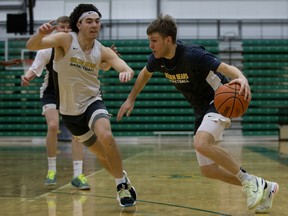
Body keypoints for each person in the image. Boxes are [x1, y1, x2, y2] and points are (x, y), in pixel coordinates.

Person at [117, 14, 278, 213]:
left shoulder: (193, 54)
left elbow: (227, 68)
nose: (151, 45)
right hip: (200, 109)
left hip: (218, 99)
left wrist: (242, 77)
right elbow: (144, 74)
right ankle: (264, 186)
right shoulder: (157, 60)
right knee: (208, 170)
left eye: (154, 41)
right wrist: (130, 98)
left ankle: (249, 181)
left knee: (201, 142)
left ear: (168, 40)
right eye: (150, 41)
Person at [26, 4, 137, 207]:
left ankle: (121, 186)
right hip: (69, 112)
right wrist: (39, 34)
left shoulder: (100, 50)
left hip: (92, 102)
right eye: (89, 21)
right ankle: (122, 176)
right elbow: (32, 45)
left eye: (97, 21)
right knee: (103, 156)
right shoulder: (65, 40)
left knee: (107, 136)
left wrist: (126, 72)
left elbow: (123, 65)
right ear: (78, 24)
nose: (94, 25)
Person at [21, 16, 91, 189]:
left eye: (69, 28)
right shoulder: (47, 49)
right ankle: (51, 171)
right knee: (53, 126)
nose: (66, 31)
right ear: (56, 29)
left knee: (78, 132)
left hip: (72, 93)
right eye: (62, 27)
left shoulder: (79, 48)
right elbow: (34, 68)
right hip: (51, 92)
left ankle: (78, 174)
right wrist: (28, 77)